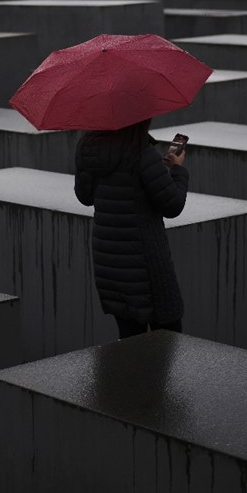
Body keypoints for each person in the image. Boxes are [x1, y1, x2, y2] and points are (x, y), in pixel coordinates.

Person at [74, 118, 189, 339]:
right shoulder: (142, 155)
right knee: (169, 339)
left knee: (129, 341)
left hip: (109, 263)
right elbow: (173, 205)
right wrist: (177, 171)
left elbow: (84, 197)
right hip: (146, 264)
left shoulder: (87, 149)